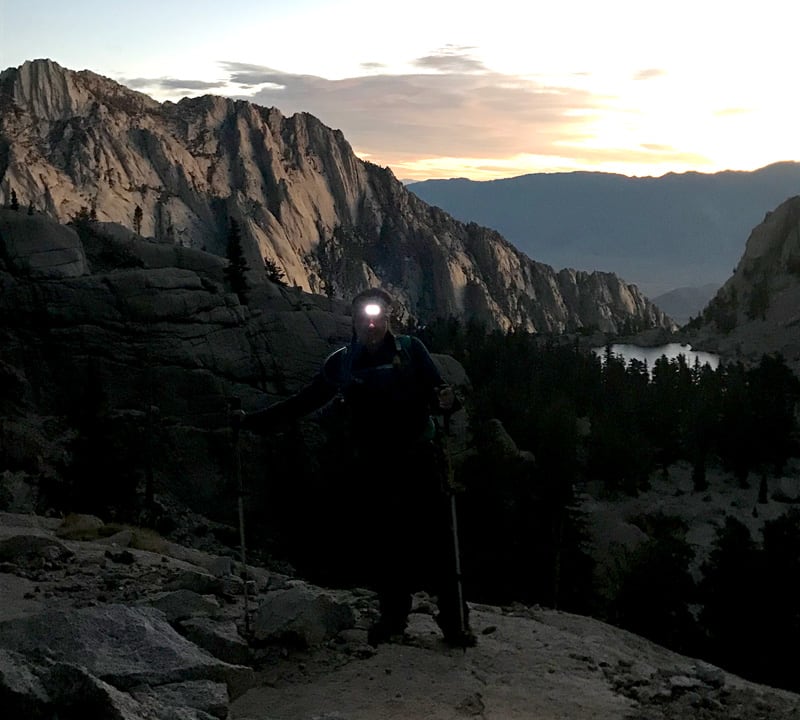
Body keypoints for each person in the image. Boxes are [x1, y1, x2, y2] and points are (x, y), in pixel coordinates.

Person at [236, 288, 476, 648]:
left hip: (418, 459)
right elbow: (305, 401)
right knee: (386, 542)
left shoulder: (412, 350)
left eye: (378, 317)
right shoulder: (342, 362)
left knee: (438, 541)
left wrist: (448, 400)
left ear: (389, 317)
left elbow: (439, 394)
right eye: (364, 317)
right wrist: (253, 422)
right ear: (354, 320)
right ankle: (393, 618)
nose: (371, 324)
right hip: (376, 464)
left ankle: (454, 625)